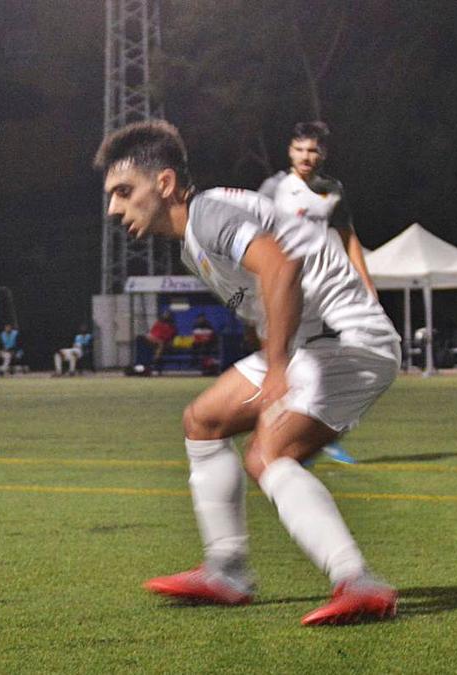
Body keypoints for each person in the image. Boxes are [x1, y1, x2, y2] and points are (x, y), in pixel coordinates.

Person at [96, 120, 401, 625]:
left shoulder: (210, 213)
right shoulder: (194, 240)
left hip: (346, 340)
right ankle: (227, 570)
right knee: (204, 420)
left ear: (165, 183)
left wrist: (278, 367)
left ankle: (357, 580)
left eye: (124, 192)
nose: (114, 208)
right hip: (312, 343)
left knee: (270, 453)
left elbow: (281, 270)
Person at [259, 121, 377, 300]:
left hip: (317, 285)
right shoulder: (273, 187)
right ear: (290, 151)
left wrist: (367, 283)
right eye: (299, 149)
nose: (305, 157)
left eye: (312, 151)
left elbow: (349, 237)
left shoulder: (332, 189)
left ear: (323, 153)